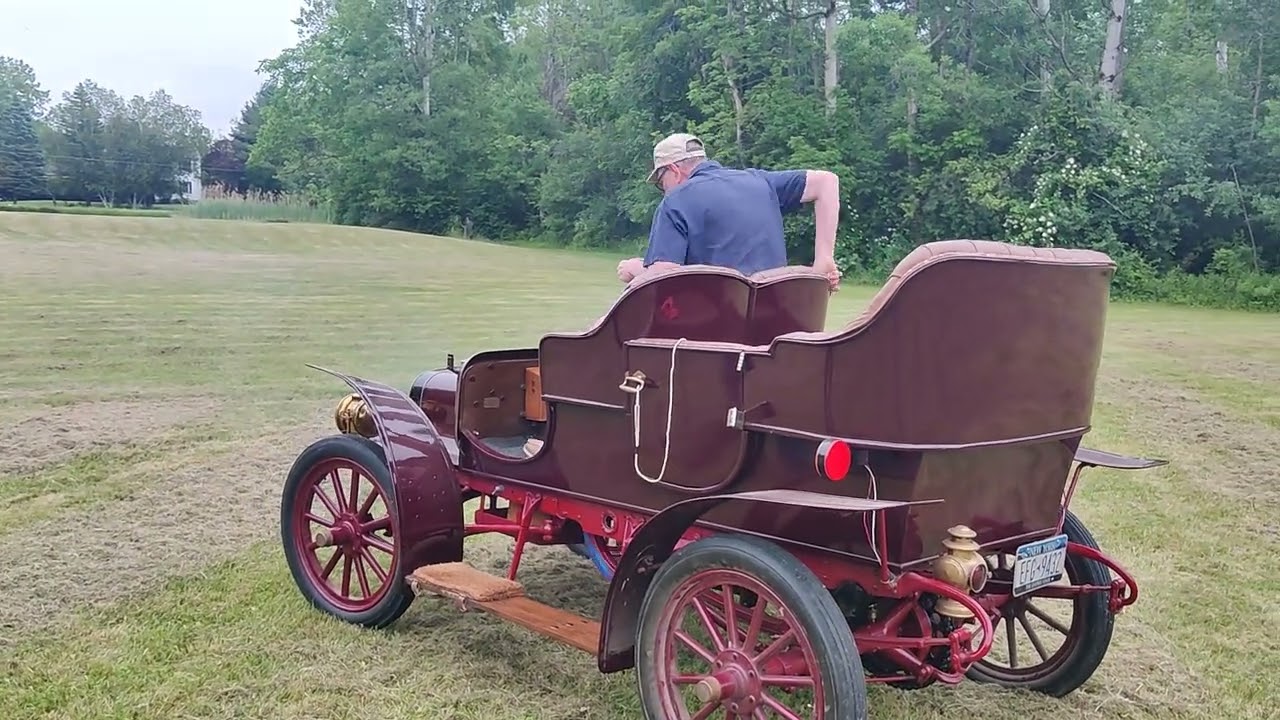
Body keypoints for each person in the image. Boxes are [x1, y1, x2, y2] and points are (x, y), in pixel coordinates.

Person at [616, 132, 842, 290]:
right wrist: (823, 260)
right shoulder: (760, 182)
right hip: (779, 328)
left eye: (660, 181)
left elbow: (665, 279)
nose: (662, 189)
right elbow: (827, 181)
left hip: (718, 336)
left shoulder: (675, 202)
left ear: (674, 170)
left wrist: (637, 270)